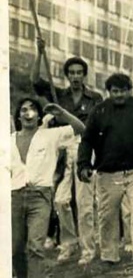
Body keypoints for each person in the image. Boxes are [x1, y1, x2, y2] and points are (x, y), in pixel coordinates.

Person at [76, 73, 133, 270]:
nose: (119, 95)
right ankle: (109, 256)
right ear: (108, 92)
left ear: (130, 90)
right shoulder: (99, 111)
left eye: (123, 91)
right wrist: (83, 165)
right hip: (108, 173)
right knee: (107, 214)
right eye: (115, 91)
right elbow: (87, 140)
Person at [31, 40, 104, 265]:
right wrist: (39, 53)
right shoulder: (59, 95)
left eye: (79, 73)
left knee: (84, 202)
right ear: (67, 75)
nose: (75, 77)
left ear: (84, 75)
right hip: (63, 149)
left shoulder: (95, 98)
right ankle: (68, 244)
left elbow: (97, 126)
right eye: (71, 73)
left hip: (85, 147)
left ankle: (88, 248)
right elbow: (35, 81)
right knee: (61, 200)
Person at [11, 98, 86, 278]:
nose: (28, 113)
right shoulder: (8, 140)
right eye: (23, 110)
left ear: (39, 116)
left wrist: (62, 113)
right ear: (18, 116)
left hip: (40, 197)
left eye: (32, 109)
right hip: (14, 197)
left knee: (35, 246)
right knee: (15, 249)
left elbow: (81, 128)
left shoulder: (50, 136)